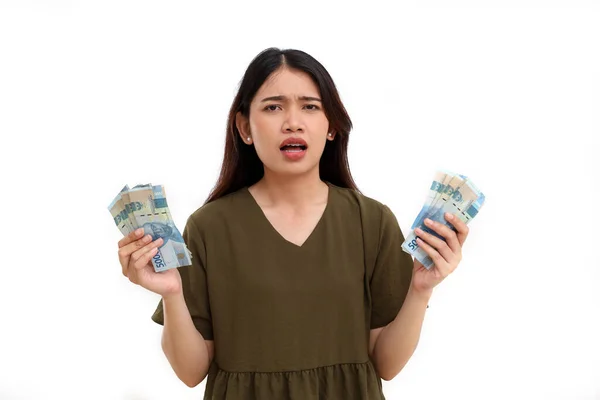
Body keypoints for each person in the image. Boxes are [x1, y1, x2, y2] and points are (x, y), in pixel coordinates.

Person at [117, 47, 470, 400]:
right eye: (273, 107)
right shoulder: (209, 227)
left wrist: (421, 288)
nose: (292, 122)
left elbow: (387, 364)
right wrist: (173, 293)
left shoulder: (372, 222)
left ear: (331, 125)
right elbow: (191, 372)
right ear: (244, 128)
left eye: (310, 106)